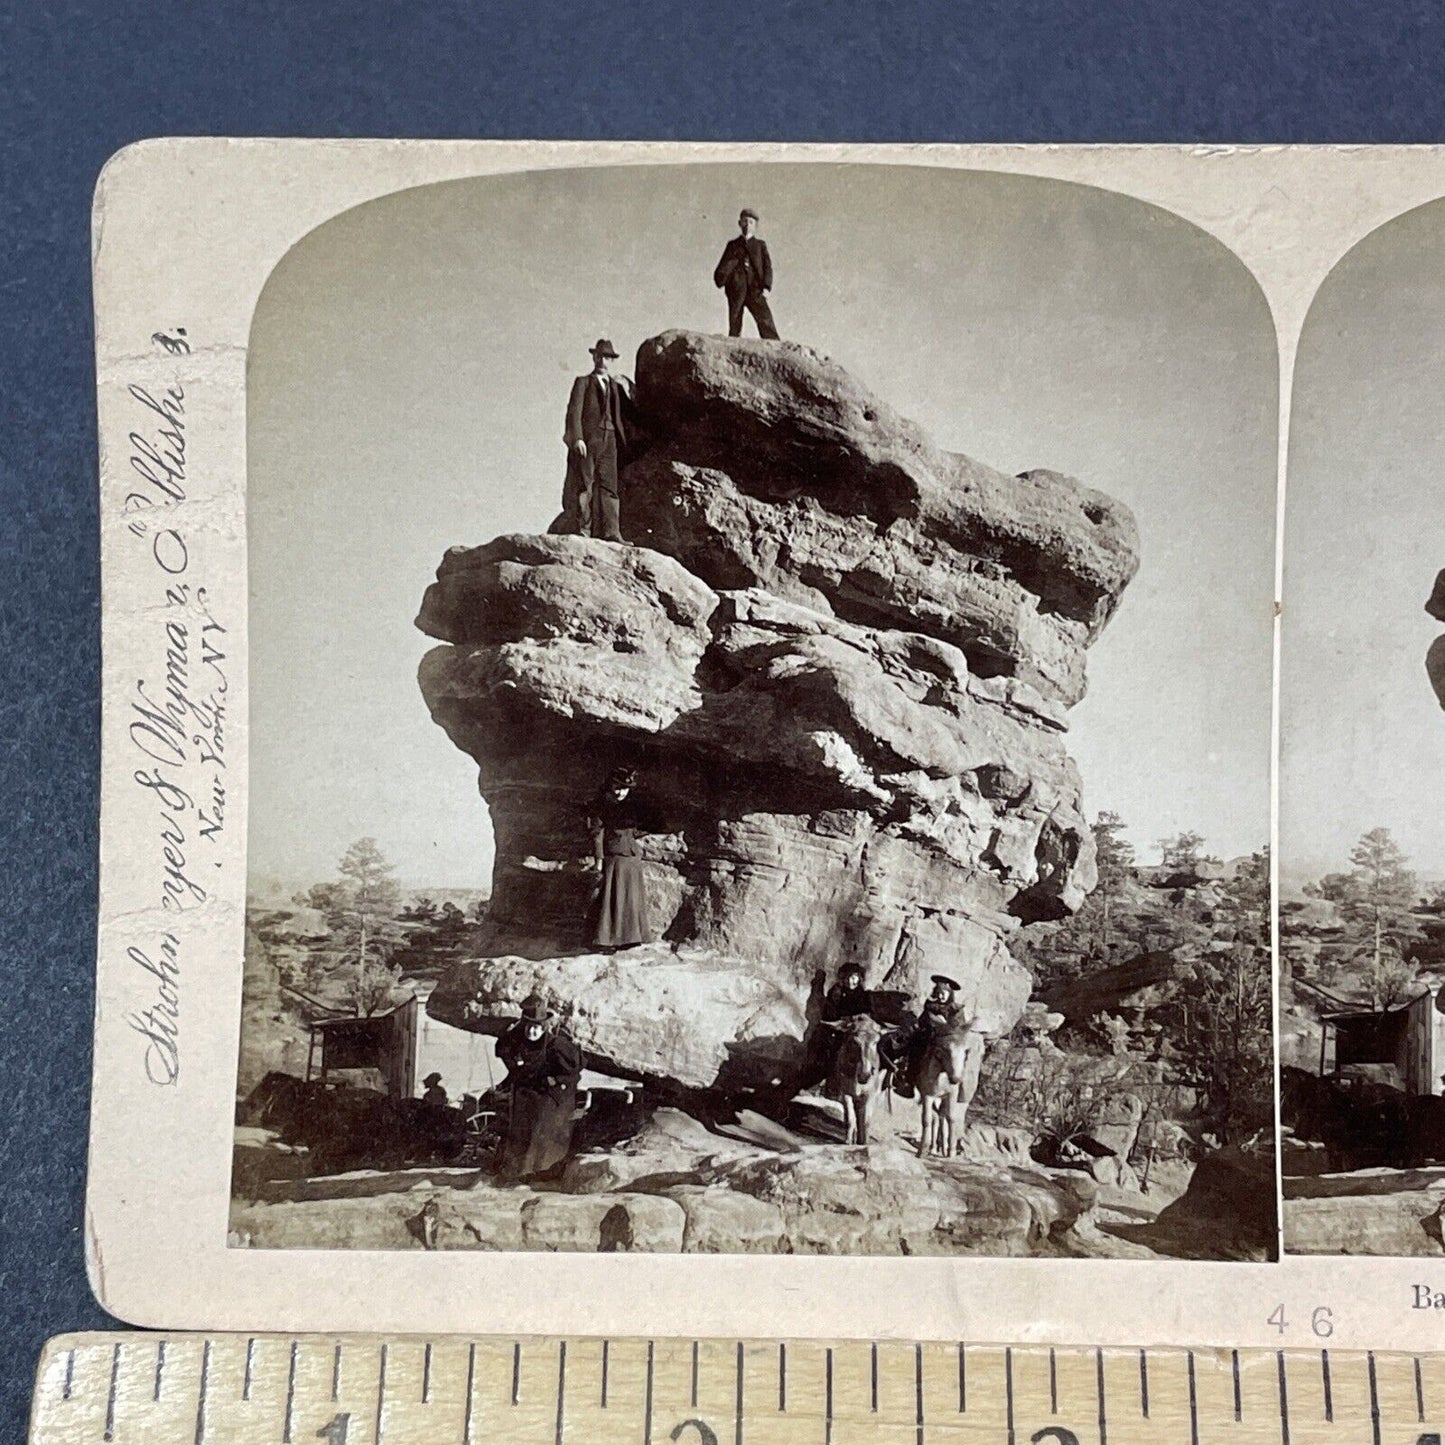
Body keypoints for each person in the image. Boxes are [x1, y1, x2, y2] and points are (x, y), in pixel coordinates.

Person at [494, 995, 583, 1182]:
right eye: (528, 1027)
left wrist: (554, 1080)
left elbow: (574, 1069)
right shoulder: (519, 1041)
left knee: (541, 1130)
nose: (531, 1032)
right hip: (527, 1093)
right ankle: (516, 1171)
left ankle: (541, 1172)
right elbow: (503, 1047)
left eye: (536, 1028)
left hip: (551, 1096)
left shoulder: (556, 1045)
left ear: (543, 1028)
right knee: (520, 1129)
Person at [562, 339, 632, 542]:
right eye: (600, 356)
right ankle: (583, 530)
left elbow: (628, 413)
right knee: (586, 484)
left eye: (608, 357)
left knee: (610, 486)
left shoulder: (616, 387)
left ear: (612, 361)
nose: (603, 361)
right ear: (594, 357)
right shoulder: (583, 382)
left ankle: (612, 532)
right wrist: (577, 438)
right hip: (589, 440)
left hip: (610, 439)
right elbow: (574, 412)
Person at [585, 766, 660, 950]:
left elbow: (646, 824)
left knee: (630, 899)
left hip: (631, 859)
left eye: (625, 789)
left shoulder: (631, 805)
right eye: (617, 788)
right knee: (611, 901)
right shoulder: (601, 806)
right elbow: (597, 834)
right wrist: (599, 861)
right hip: (615, 859)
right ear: (610, 786)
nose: (620, 792)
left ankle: (630, 938)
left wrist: (633, 835)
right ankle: (607, 940)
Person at [880, 973, 966, 1097]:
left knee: (958, 1056)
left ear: (950, 993)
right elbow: (922, 1021)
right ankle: (908, 1082)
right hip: (928, 1037)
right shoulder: (930, 1005)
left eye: (944, 993)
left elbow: (958, 1028)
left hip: (946, 1040)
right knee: (915, 1049)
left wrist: (944, 1025)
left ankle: (958, 1086)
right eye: (938, 992)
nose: (941, 996)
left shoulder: (956, 1009)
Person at [713, 209, 779, 340]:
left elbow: (767, 267)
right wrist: (722, 279)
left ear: (755, 226)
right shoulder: (733, 245)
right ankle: (734, 345)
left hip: (755, 288)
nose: (747, 225)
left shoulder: (760, 245)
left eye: (751, 222)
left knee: (765, 318)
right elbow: (724, 264)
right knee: (735, 318)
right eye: (744, 221)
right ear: (739, 223)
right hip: (737, 288)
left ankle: (774, 345)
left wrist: (766, 287)